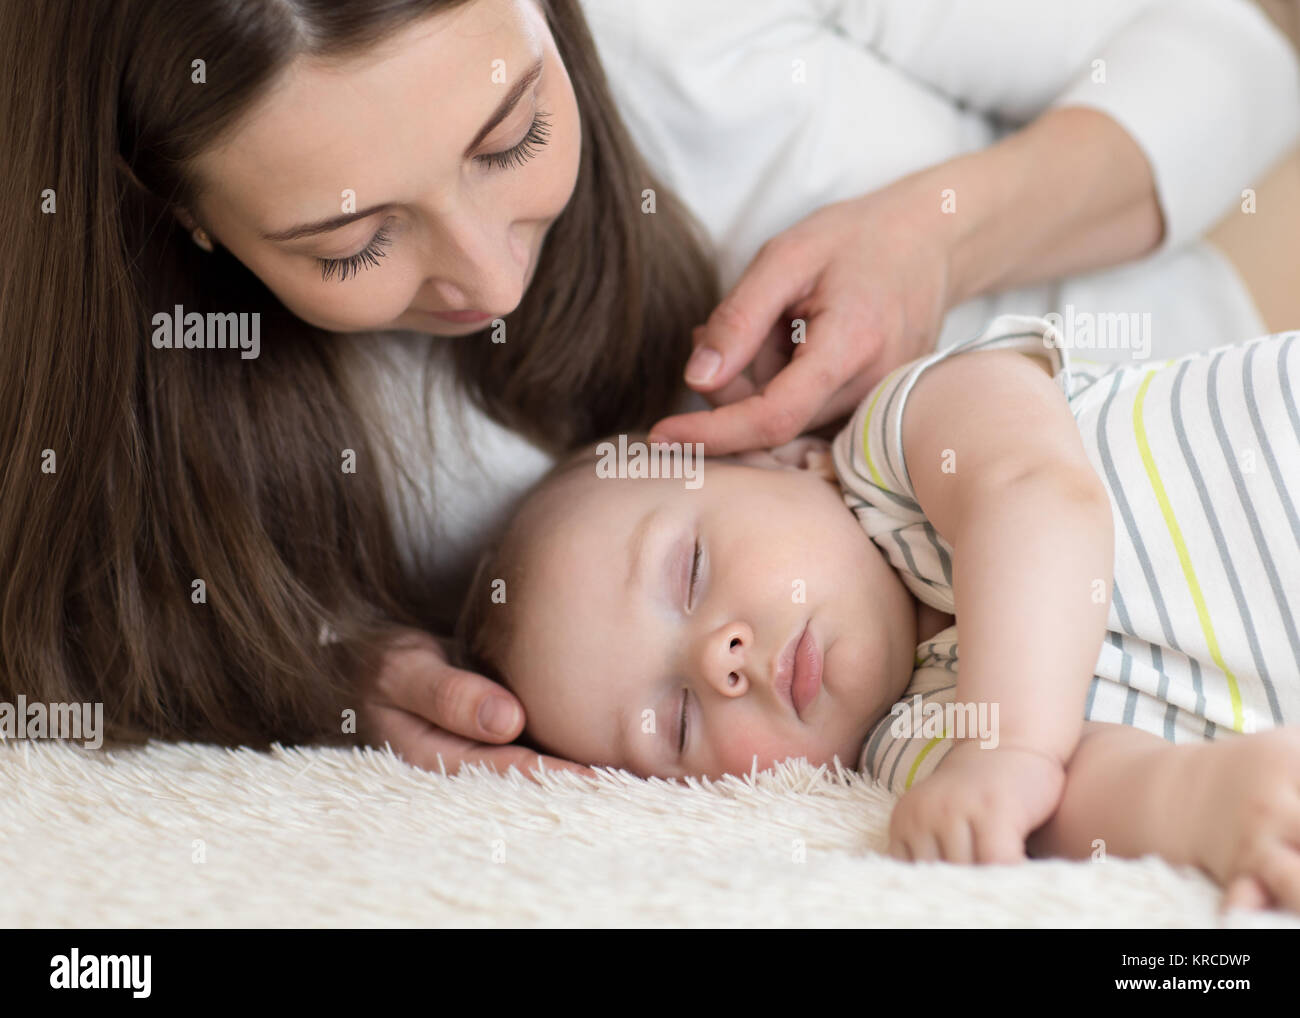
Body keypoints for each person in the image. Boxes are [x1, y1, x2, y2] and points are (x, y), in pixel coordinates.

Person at [1, 0, 1296, 778]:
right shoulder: (185, 419)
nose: (490, 277)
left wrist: (947, 229)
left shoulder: (695, 29)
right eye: (352, 245)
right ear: (186, 217)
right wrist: (304, 669)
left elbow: (1244, 60)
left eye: (512, 135)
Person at [454, 313, 1300, 912]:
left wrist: (1007, 747)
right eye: (675, 722)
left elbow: (1035, 492)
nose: (722, 661)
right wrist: (1205, 801)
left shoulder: (898, 442)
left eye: (690, 571)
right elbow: (1070, 796)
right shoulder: (909, 753)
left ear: (783, 457)